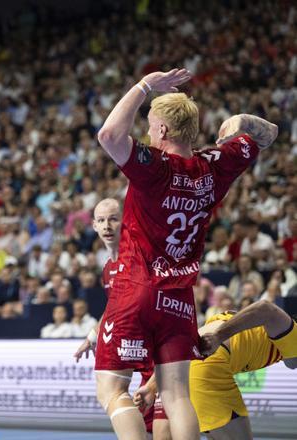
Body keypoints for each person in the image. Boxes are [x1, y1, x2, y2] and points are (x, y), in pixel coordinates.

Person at [95, 68, 278, 440]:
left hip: (136, 286)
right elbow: (268, 133)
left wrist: (145, 85)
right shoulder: (216, 165)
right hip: (179, 299)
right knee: (177, 397)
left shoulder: (156, 168)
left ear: (162, 131)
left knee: (113, 391)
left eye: (150, 127)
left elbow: (108, 134)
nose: (147, 133)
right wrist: (239, 123)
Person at [74, 198, 170, 439]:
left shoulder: (140, 252)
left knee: (112, 392)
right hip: (144, 361)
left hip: (160, 355)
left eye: (114, 219)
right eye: (101, 220)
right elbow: (115, 306)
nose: (107, 226)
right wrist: (93, 335)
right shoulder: (108, 268)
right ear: (94, 226)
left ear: (125, 221)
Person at [135, 300, 297, 440]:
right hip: (209, 369)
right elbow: (265, 308)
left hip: (188, 363)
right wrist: (220, 335)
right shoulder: (291, 330)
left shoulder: (258, 333)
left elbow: (193, 345)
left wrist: (151, 386)